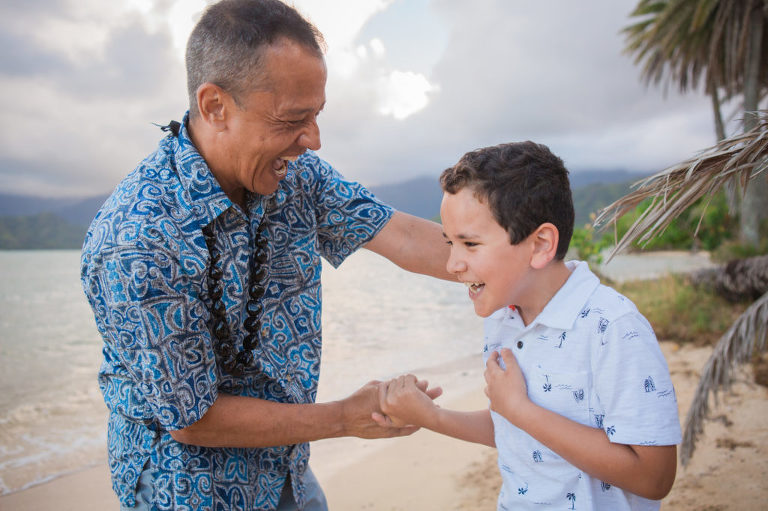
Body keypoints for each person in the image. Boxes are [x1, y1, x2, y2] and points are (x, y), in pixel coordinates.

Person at [80, 1, 449, 509]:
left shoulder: (294, 176)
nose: (313, 141)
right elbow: (194, 419)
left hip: (285, 466)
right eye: (293, 120)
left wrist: (526, 272)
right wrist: (345, 417)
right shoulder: (139, 240)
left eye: (316, 116)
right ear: (215, 107)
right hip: (184, 486)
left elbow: (401, 236)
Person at [375, 141, 681, 510]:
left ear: (540, 245)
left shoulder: (613, 328)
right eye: (449, 242)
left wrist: (520, 409)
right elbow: (515, 430)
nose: (452, 264)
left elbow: (654, 477)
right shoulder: (504, 318)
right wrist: (431, 416)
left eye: (470, 244)